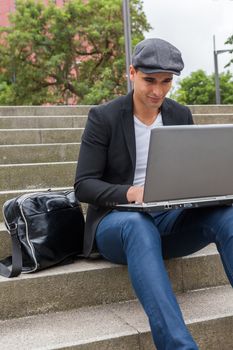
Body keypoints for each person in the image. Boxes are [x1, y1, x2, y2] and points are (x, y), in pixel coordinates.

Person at [74, 38, 233, 349]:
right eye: (149, 80)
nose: (158, 91)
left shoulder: (180, 115)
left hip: (169, 220)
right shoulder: (103, 118)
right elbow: (84, 184)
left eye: (166, 82)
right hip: (117, 222)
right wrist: (131, 193)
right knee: (138, 226)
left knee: (228, 216)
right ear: (131, 73)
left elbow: (190, 172)